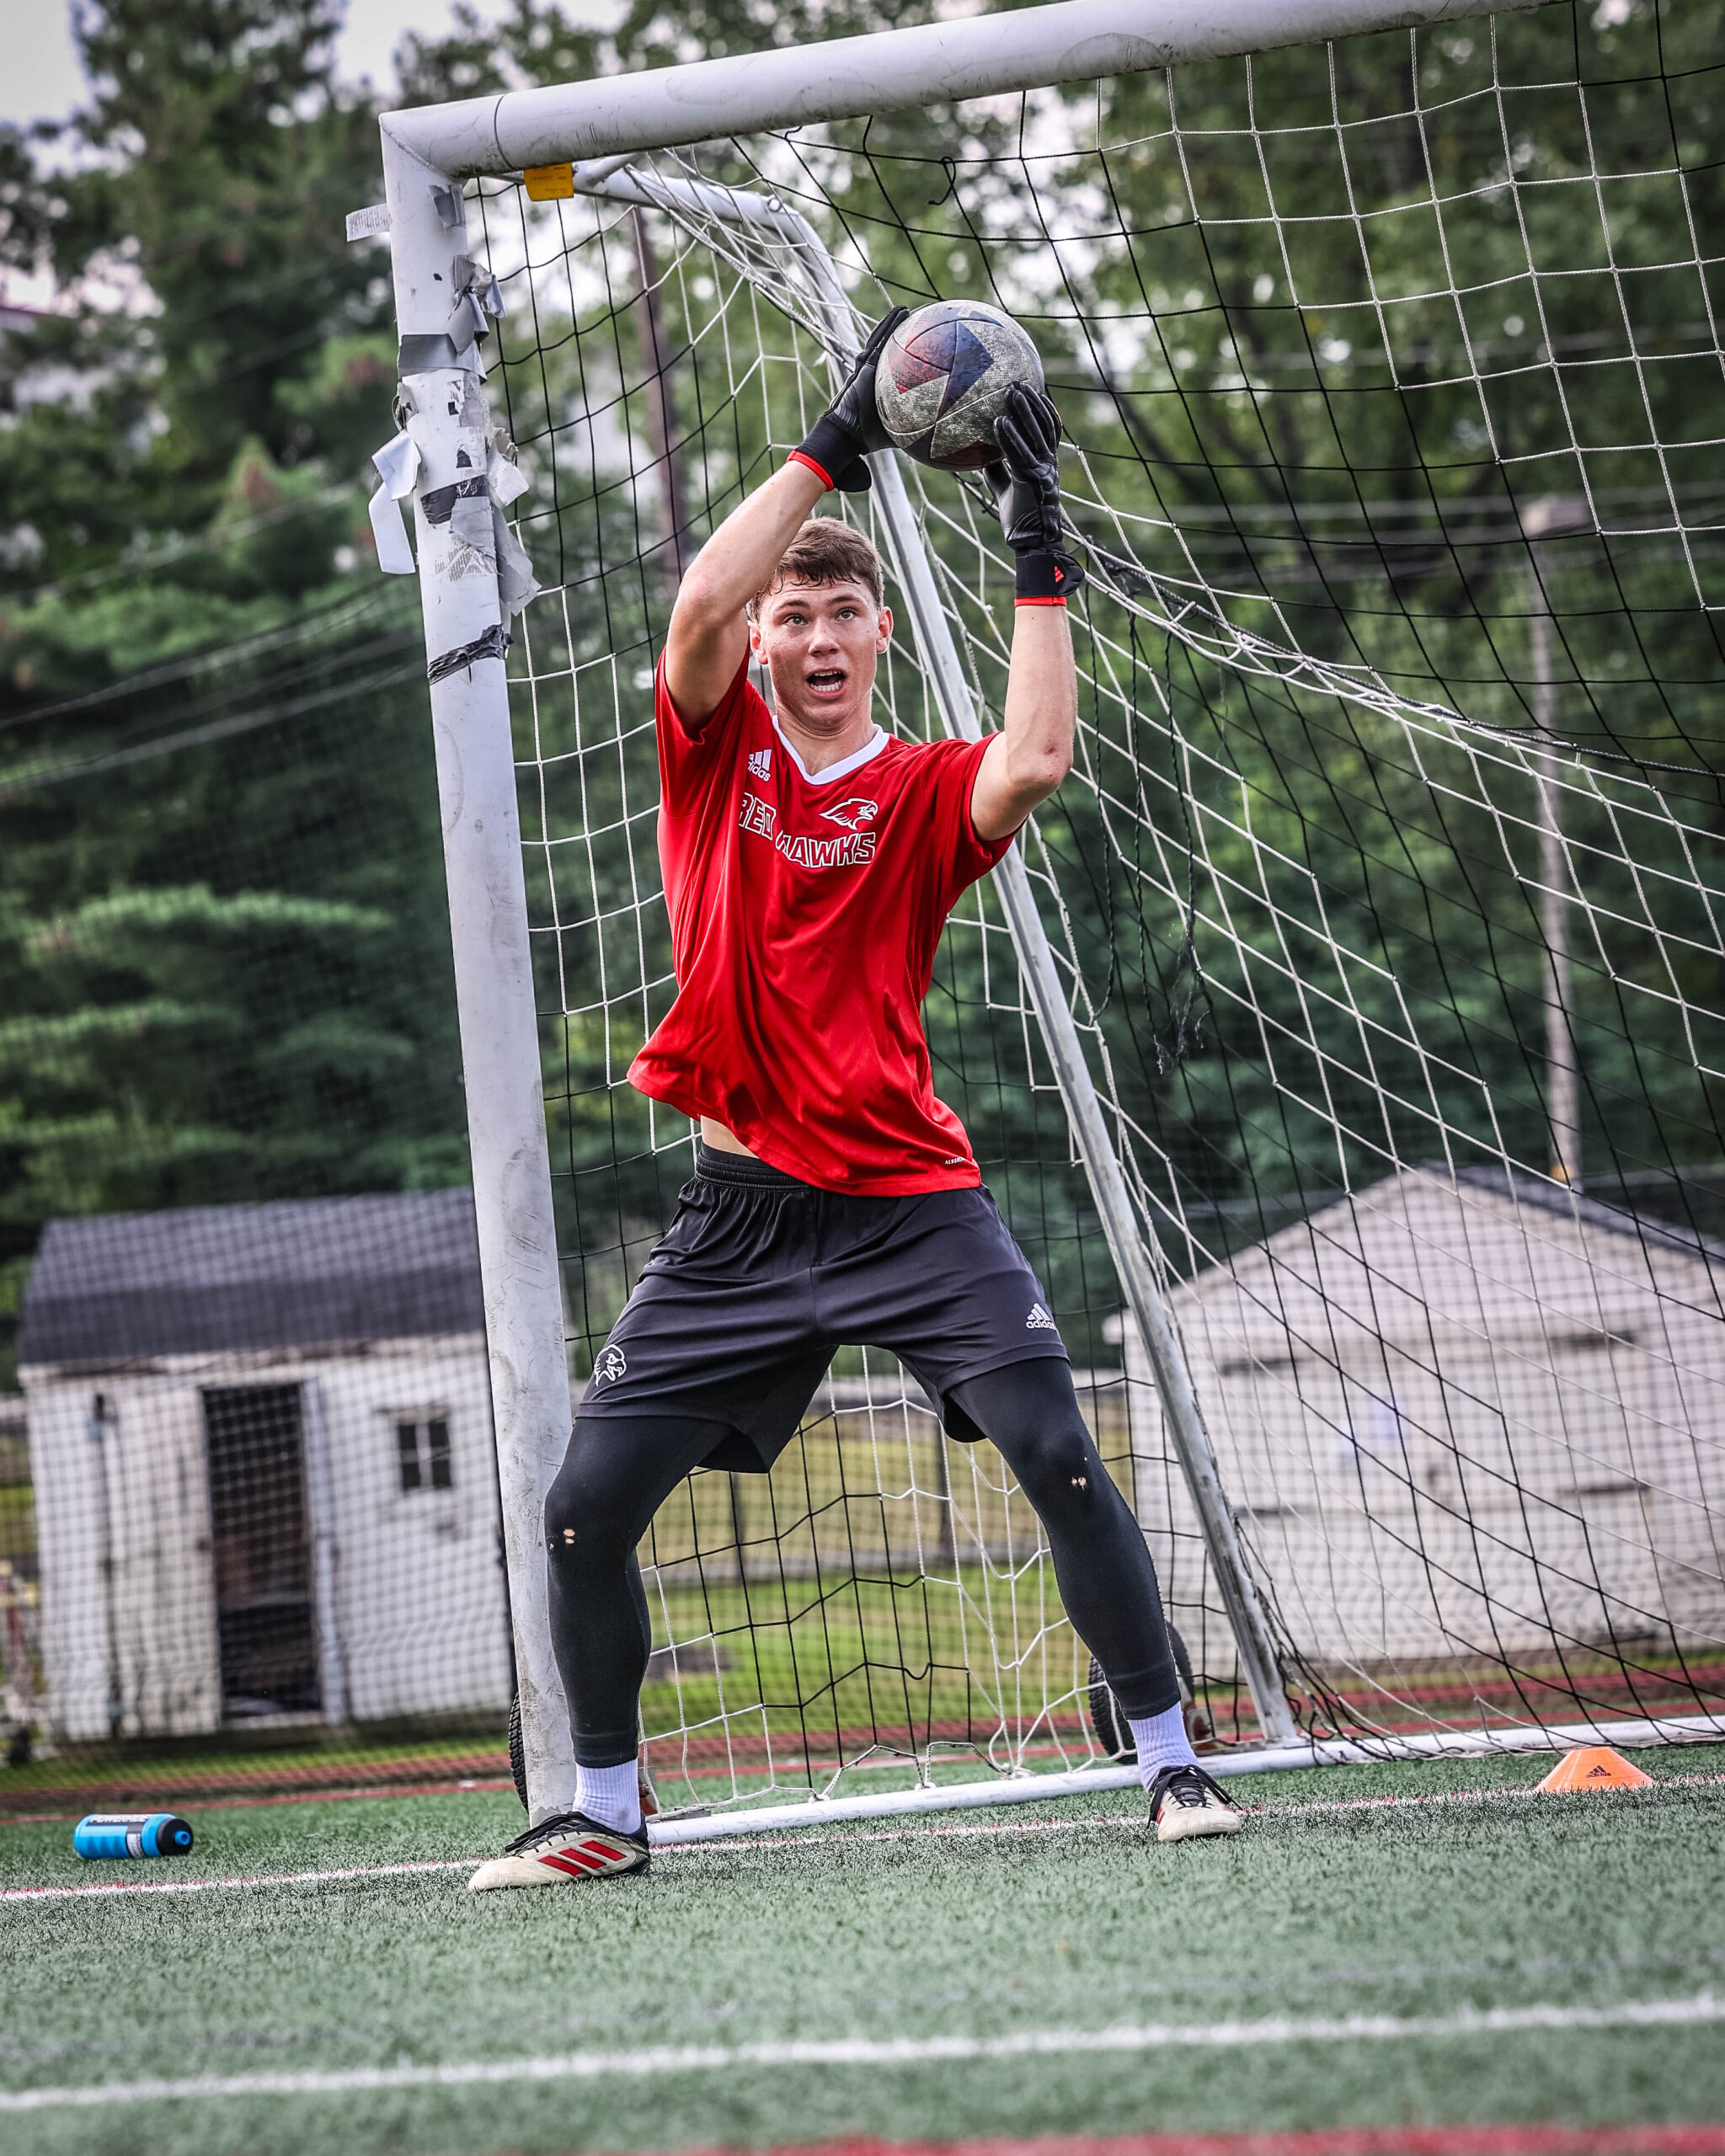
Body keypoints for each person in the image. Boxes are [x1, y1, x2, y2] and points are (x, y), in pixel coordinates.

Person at [469, 312, 1242, 1891]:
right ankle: (606, 1812)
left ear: (880, 636)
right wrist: (840, 432)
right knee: (580, 1512)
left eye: (844, 613)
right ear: (765, 641)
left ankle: (1168, 1762)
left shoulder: (914, 789)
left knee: (1062, 1453)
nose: (815, 637)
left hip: (907, 1202)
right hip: (738, 1219)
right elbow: (691, 602)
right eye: (793, 613)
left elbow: (1034, 756)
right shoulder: (713, 749)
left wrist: (1037, 544)